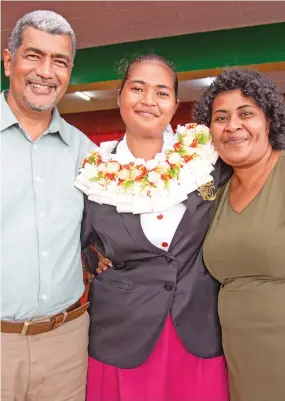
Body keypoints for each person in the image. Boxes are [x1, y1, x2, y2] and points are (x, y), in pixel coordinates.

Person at [77, 54, 230, 401]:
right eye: (137, 88)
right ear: (119, 97)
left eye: (161, 93)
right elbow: (77, 239)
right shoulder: (91, 174)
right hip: (121, 335)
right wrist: (91, 258)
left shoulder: (209, 161)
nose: (148, 100)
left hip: (200, 328)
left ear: (175, 104)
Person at [1, 10, 95, 401]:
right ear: (8, 62)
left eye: (59, 61)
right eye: (33, 56)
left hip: (66, 343)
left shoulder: (86, 153)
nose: (46, 71)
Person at [194, 68, 285, 401]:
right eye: (221, 118)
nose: (233, 126)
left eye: (246, 113)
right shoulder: (212, 193)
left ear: (269, 121)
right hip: (240, 361)